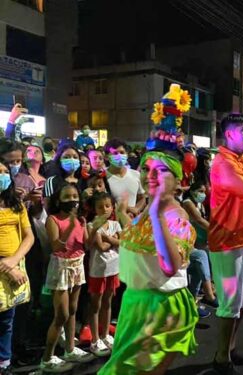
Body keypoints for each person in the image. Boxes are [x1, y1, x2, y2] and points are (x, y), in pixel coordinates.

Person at [98, 83, 198, 374]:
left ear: (178, 181)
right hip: (135, 302)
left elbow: (170, 265)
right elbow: (137, 242)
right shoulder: (147, 212)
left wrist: (153, 214)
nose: (150, 176)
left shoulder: (174, 216)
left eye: (161, 171)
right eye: (145, 169)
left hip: (160, 307)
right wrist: (123, 216)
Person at [209, 113, 243, 374]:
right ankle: (220, 357)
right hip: (227, 240)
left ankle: (231, 348)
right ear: (228, 134)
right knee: (229, 305)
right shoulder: (222, 163)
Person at [40, 183, 94, 372]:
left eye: (75, 197)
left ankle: (70, 349)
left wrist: (91, 226)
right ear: (58, 200)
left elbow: (86, 244)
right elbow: (56, 247)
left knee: (72, 309)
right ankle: (47, 358)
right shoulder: (53, 220)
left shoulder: (80, 219)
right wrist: (71, 226)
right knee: (61, 315)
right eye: (67, 197)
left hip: (77, 264)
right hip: (61, 266)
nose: (72, 201)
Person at [0, 160, 34, 374]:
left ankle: (4, 363)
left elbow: (29, 237)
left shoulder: (16, 204)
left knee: (7, 320)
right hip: (6, 267)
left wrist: (14, 261)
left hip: (13, 265)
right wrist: (8, 266)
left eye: (4, 172)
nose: (3, 175)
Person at [86, 192, 121, 357]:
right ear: (94, 209)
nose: (104, 209)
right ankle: (94, 340)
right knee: (95, 304)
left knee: (108, 302)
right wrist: (111, 240)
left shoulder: (115, 224)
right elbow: (101, 247)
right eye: (100, 207)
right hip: (98, 270)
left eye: (107, 205)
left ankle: (105, 334)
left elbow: (122, 243)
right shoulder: (92, 225)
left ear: (112, 206)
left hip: (113, 269)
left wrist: (110, 239)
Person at [182, 181, 218, 318]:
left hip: (196, 242)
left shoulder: (199, 204)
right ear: (192, 191)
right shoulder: (187, 203)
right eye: (200, 191)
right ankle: (208, 293)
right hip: (185, 243)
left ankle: (193, 301)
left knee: (204, 259)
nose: (203, 194)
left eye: (204, 192)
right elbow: (198, 220)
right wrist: (217, 232)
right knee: (201, 256)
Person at [104, 139, 146, 218]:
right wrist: (127, 209)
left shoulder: (136, 174)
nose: (119, 155)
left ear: (127, 154)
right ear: (106, 157)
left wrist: (136, 209)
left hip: (132, 221)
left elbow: (142, 198)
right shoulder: (103, 177)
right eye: (115, 153)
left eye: (122, 152)